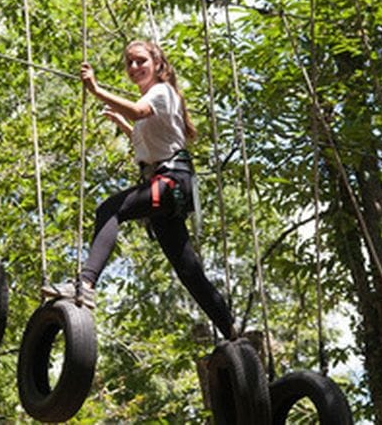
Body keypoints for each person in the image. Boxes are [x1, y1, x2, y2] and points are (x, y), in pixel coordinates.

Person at [42, 40, 237, 340]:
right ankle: (232, 332)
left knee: (109, 209)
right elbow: (149, 143)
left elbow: (138, 111)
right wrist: (122, 123)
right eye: (129, 63)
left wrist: (95, 90)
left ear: (158, 65)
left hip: (170, 181)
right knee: (188, 270)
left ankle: (86, 284)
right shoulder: (157, 100)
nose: (134, 67)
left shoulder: (161, 92)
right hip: (169, 186)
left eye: (140, 61)